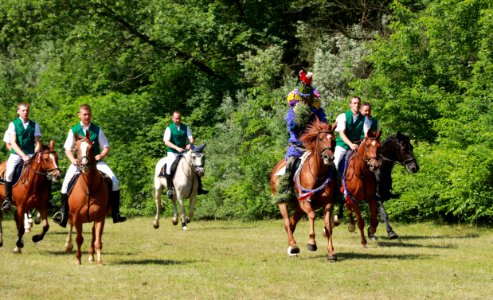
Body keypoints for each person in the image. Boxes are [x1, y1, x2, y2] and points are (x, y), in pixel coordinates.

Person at [52, 104, 126, 227]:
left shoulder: (97, 130)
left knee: (115, 181)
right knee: (65, 184)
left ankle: (116, 213)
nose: (87, 117)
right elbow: (67, 149)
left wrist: (101, 156)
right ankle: (63, 213)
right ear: (79, 115)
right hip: (78, 164)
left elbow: (106, 147)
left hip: (96, 163)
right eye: (84, 114)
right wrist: (72, 160)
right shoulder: (74, 130)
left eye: (89, 114)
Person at [276, 70, 327, 202]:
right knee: (291, 162)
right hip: (297, 145)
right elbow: (291, 127)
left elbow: (323, 123)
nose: (305, 100)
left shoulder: (317, 109)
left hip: (314, 146)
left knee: (330, 163)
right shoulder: (293, 110)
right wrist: (298, 115)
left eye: (307, 97)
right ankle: (285, 188)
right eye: (303, 97)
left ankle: (336, 192)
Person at [2, 103, 42, 212]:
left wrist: (36, 151)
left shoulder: (35, 125)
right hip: (16, 154)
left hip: (30, 154)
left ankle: (46, 199)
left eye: (27, 110)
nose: (25, 112)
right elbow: (13, 143)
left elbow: (37, 142)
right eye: (23, 110)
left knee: (44, 172)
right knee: (9, 172)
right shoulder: (13, 124)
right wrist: (23, 155)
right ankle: (8, 199)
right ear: (18, 112)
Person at [162, 111, 208, 199]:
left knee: (195, 165)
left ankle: (199, 187)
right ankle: (169, 189)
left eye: (179, 118)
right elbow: (166, 142)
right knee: (168, 167)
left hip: (183, 151)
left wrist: (189, 144)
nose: (178, 120)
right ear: (172, 118)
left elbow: (191, 138)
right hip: (172, 152)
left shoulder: (186, 127)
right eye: (176, 118)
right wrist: (176, 148)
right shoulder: (169, 128)